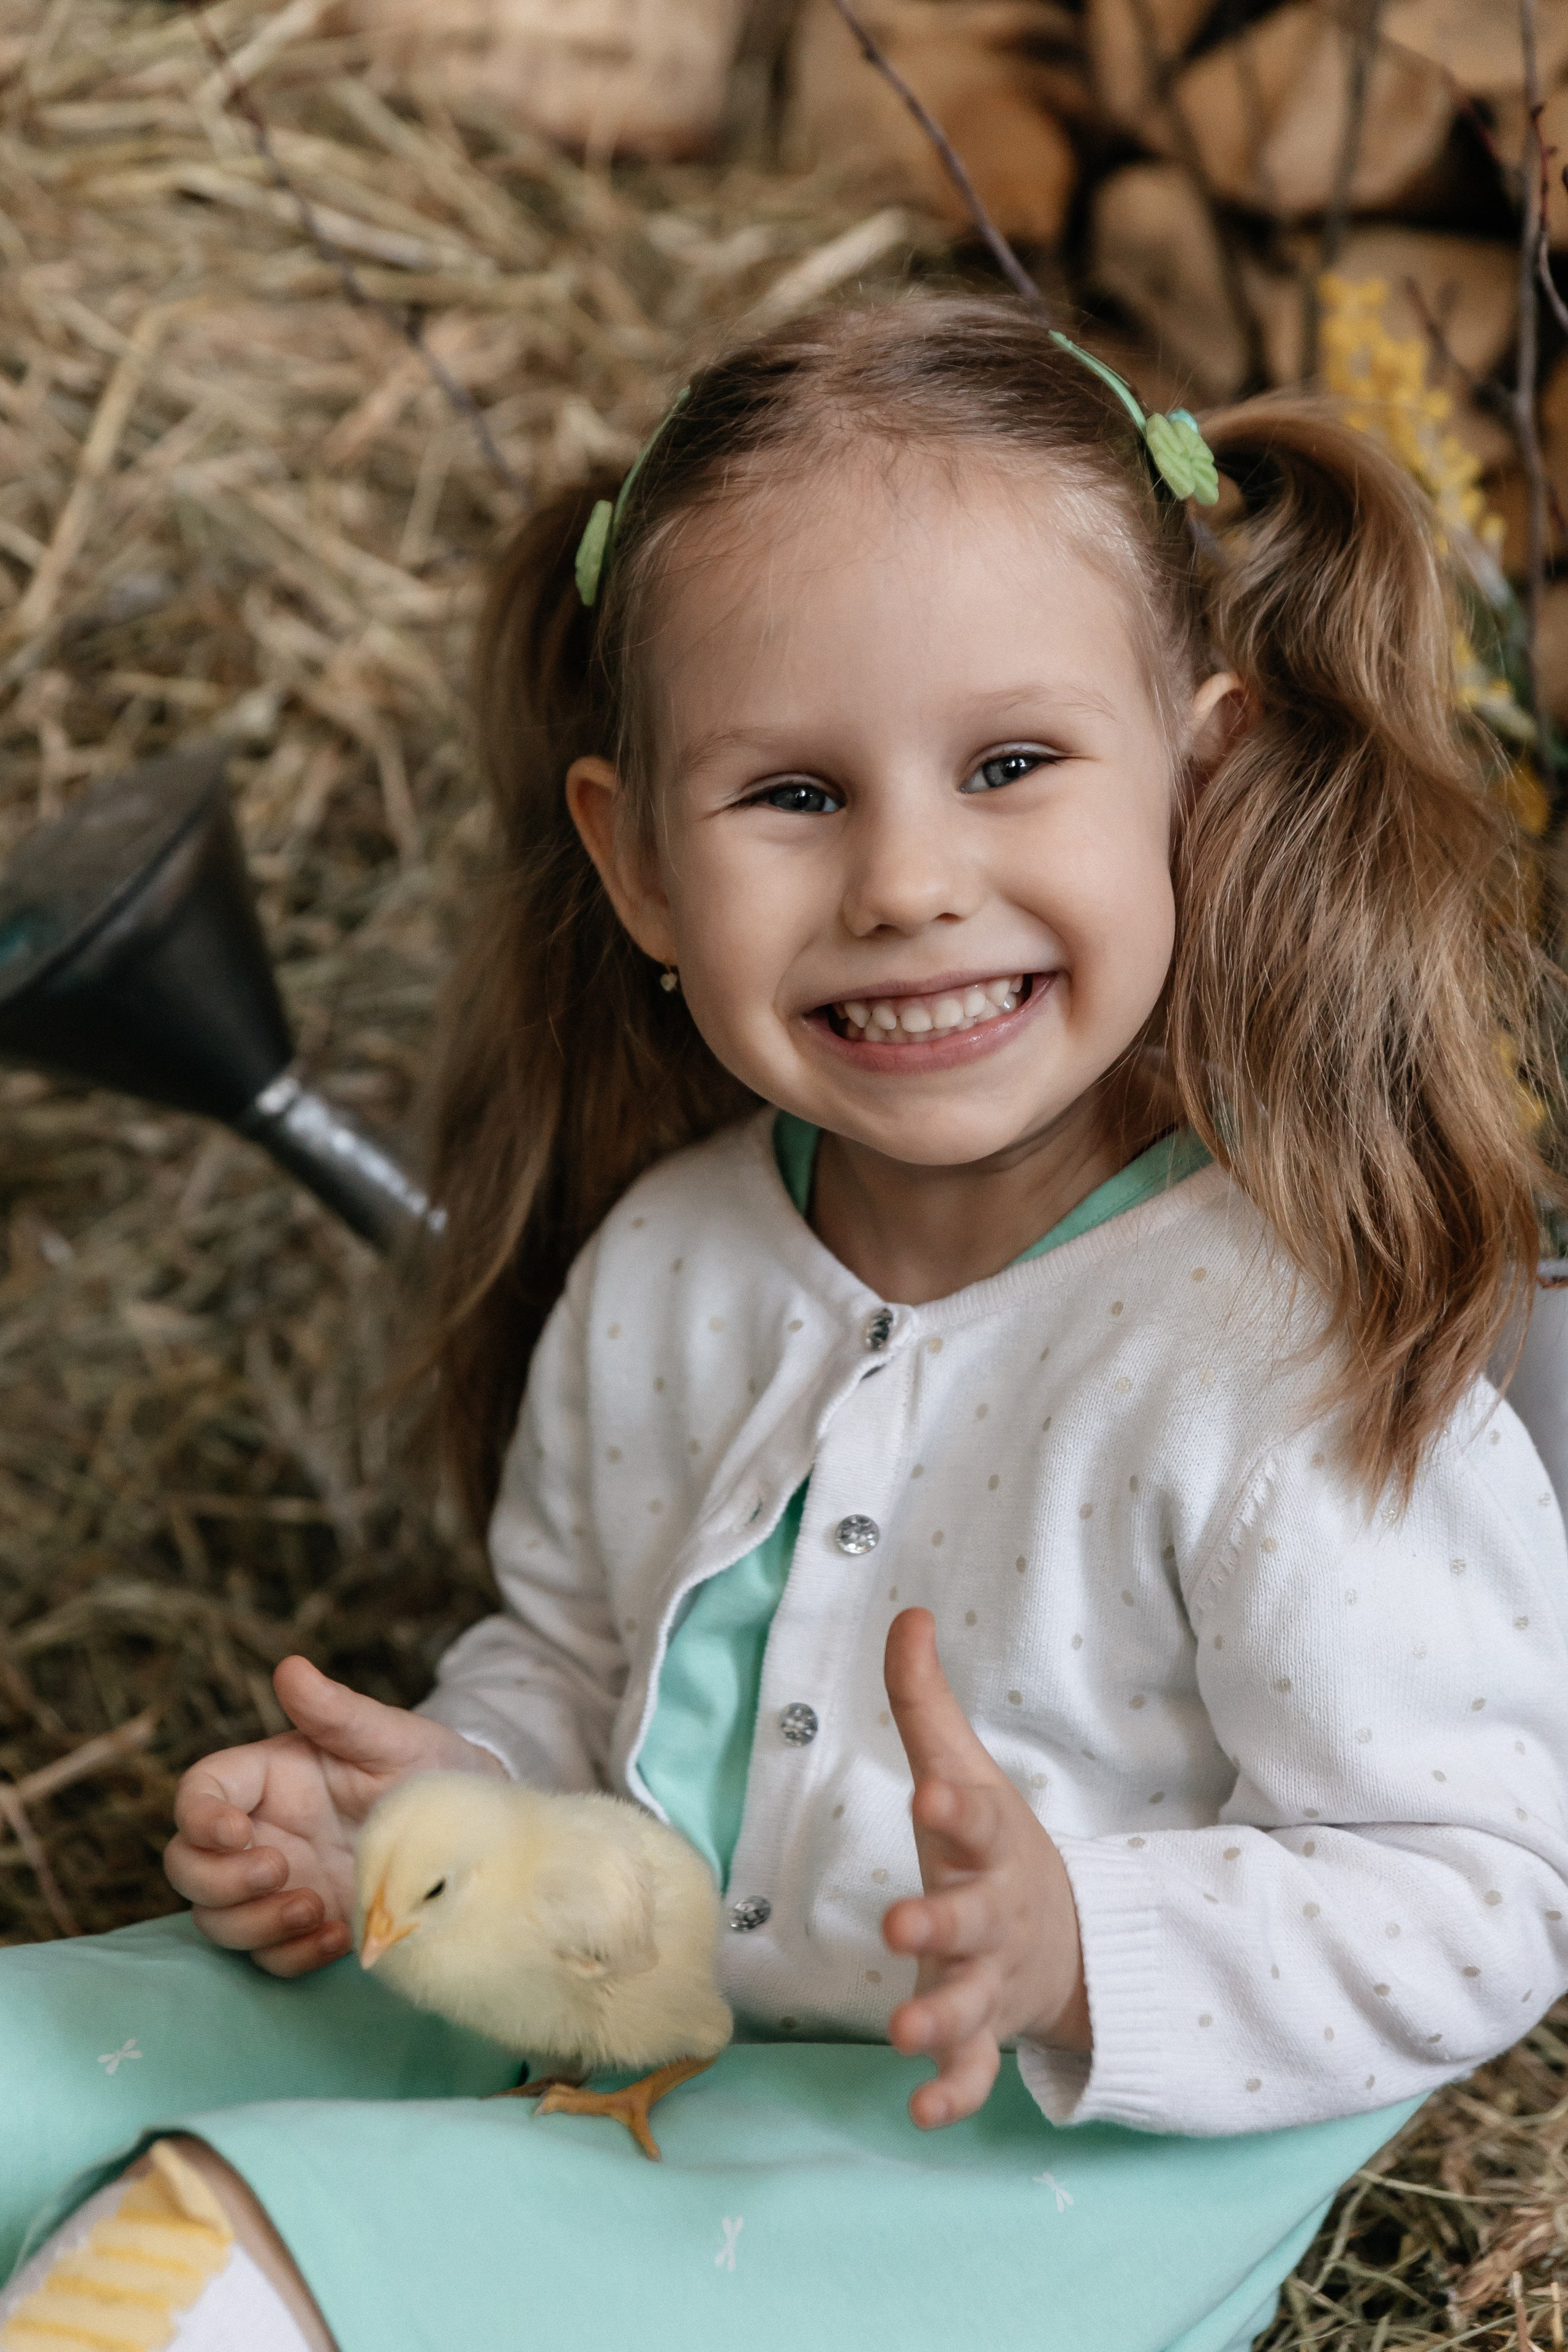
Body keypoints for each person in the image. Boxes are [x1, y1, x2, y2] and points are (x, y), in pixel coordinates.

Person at [4, 295, 1568, 2352]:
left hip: (997, 2149)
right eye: (794, 796)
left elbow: (1478, 1890)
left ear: (1198, 773)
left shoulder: (1281, 1353)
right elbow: (578, 1664)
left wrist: (1076, 1940)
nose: (910, 880)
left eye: (1012, 764)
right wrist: (431, 1817)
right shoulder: (674, 1257)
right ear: (636, 862)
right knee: (52, 2063)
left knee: (231, 2251)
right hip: (633, 2011)